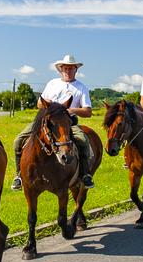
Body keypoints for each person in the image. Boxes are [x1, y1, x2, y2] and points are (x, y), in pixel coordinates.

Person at [11, 54, 96, 191]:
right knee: (18, 141)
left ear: (76, 69)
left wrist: (68, 109)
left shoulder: (81, 87)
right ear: (60, 69)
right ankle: (19, 175)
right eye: (65, 68)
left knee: (83, 140)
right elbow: (40, 103)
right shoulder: (52, 83)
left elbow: (87, 111)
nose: (68, 71)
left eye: (71, 68)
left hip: (68, 123)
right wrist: (50, 106)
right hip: (46, 122)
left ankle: (85, 174)